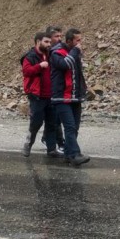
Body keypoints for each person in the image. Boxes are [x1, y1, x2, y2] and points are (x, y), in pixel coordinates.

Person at [51, 28, 90, 166]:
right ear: (69, 42)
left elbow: (78, 74)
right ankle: (75, 154)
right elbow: (65, 65)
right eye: (77, 40)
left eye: (80, 40)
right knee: (69, 126)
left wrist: (83, 91)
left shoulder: (74, 54)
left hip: (75, 97)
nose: (80, 43)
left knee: (75, 127)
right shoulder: (56, 53)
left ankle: (68, 153)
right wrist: (75, 51)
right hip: (61, 98)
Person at [21, 32, 60, 158]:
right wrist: (39, 66)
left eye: (49, 42)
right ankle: (28, 144)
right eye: (46, 42)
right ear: (38, 42)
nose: (49, 44)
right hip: (37, 96)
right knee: (36, 123)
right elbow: (26, 71)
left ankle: (51, 149)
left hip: (51, 95)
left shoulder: (51, 55)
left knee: (51, 123)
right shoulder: (30, 56)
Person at [41, 25, 65, 151]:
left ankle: (50, 138)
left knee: (56, 116)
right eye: (56, 36)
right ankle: (59, 142)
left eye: (61, 36)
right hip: (47, 90)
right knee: (54, 116)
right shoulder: (44, 53)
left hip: (57, 88)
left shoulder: (60, 51)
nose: (59, 39)